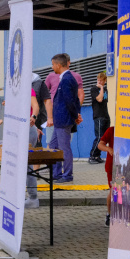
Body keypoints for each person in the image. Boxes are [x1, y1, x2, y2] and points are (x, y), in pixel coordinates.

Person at [48, 53, 81, 182]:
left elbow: (70, 101)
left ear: (58, 65)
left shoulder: (67, 79)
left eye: (53, 64)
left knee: (64, 148)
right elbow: (75, 99)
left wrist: (75, 116)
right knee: (53, 147)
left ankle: (67, 175)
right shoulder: (65, 78)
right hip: (59, 121)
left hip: (63, 120)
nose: (52, 67)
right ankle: (56, 174)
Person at [90, 72, 110, 164]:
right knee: (99, 137)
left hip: (105, 115)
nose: (99, 82)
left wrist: (103, 88)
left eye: (101, 81)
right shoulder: (94, 89)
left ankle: (98, 156)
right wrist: (101, 88)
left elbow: (105, 101)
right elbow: (100, 99)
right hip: (98, 116)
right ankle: (92, 156)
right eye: (98, 80)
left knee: (104, 138)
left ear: (105, 81)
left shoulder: (106, 89)